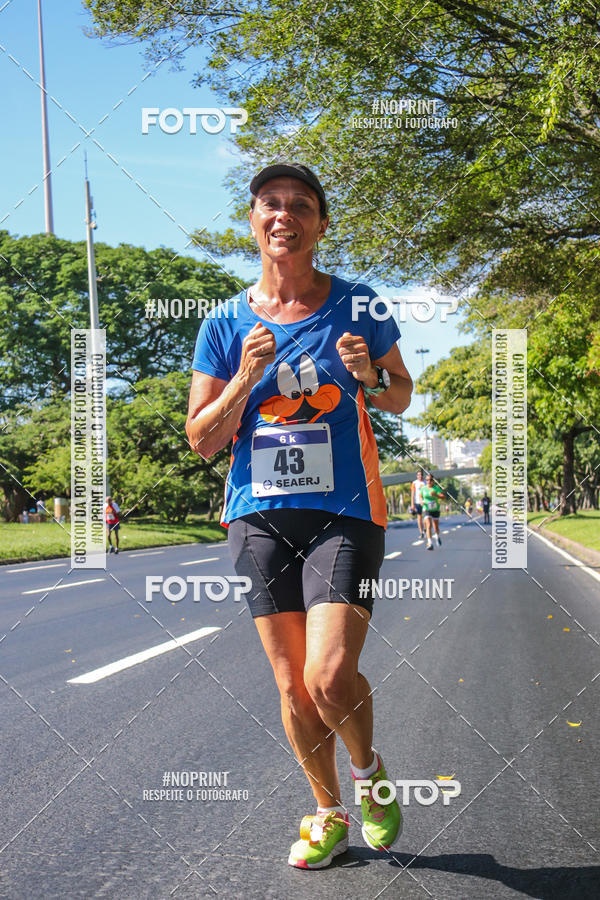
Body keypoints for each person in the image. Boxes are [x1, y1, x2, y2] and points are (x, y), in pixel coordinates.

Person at [186, 162, 413, 869]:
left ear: (320, 223)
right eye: (270, 204)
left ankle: (369, 776)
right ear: (253, 221)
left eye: (300, 205)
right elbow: (201, 438)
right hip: (258, 517)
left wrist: (369, 376)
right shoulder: (226, 323)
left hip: (346, 510)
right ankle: (327, 812)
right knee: (291, 685)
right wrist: (247, 379)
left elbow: (402, 396)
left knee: (329, 673)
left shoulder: (360, 306)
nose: (283, 215)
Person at [421, 474, 445, 550]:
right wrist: (421, 501)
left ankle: (437, 536)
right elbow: (420, 495)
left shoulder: (436, 488)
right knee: (428, 525)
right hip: (427, 509)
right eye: (427, 480)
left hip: (435, 509)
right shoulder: (423, 488)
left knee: (436, 527)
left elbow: (443, 497)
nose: (429, 481)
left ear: (433, 481)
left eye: (430, 480)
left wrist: (436, 495)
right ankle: (429, 542)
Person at [410, 468, 426, 539]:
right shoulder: (414, 483)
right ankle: (421, 532)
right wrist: (412, 504)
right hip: (417, 502)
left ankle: (425, 528)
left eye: (421, 475)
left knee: (426, 517)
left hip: (425, 502)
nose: (420, 476)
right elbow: (412, 494)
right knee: (419, 517)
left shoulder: (425, 482)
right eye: (418, 475)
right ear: (417, 476)